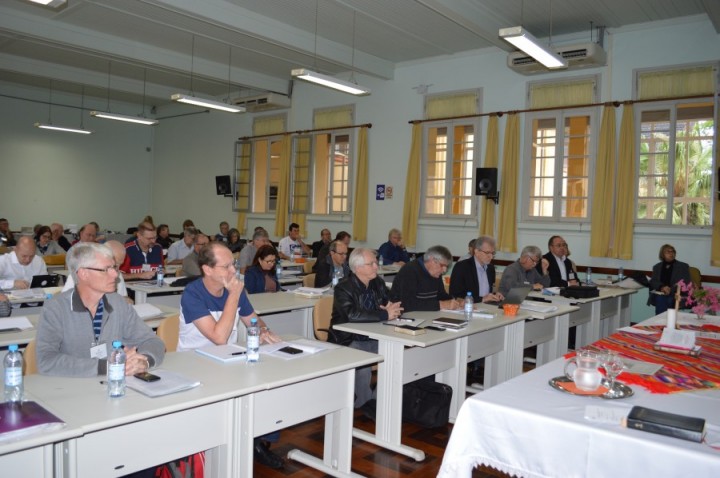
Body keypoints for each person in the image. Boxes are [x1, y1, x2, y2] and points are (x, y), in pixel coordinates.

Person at [177, 242, 283, 469]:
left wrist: (263, 330)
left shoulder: (234, 289)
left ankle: (258, 442)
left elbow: (252, 319)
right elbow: (219, 337)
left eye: (233, 265)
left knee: (269, 384)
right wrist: (234, 296)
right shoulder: (192, 294)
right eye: (226, 267)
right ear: (208, 269)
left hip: (228, 360)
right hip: (195, 365)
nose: (233, 271)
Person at [35, 242, 165, 377]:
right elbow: (46, 361)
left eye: (114, 267)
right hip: (72, 388)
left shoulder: (118, 303)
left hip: (114, 385)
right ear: (83, 274)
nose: (115, 274)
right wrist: (107, 366)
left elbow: (152, 341)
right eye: (106, 269)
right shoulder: (55, 308)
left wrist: (143, 361)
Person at [328, 248, 403, 408]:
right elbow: (351, 314)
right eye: (372, 264)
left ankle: (376, 401)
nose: (376, 266)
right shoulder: (343, 287)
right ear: (358, 268)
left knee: (396, 358)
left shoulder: (378, 283)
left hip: (375, 336)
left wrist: (393, 305)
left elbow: (390, 299)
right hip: (348, 339)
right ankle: (364, 404)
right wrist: (384, 315)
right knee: (363, 364)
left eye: (375, 263)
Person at [390, 245, 459, 311]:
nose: (444, 270)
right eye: (443, 266)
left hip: (426, 315)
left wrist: (456, 301)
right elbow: (407, 304)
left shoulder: (436, 273)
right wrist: (440, 305)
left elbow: (441, 295)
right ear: (432, 261)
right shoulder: (410, 270)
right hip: (404, 316)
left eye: (446, 267)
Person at [62, 240, 130, 298]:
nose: (116, 271)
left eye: (120, 265)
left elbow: (123, 297)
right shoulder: (81, 273)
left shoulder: (117, 274)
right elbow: (65, 300)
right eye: (115, 265)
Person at [449, 236, 504, 304]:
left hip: (487, 307)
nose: (491, 256)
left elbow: (488, 292)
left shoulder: (490, 268)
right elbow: (455, 295)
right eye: (487, 252)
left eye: (492, 253)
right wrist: (482, 299)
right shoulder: (462, 267)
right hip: (469, 307)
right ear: (477, 251)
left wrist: (495, 295)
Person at [649, 244, 692, 315]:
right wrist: (662, 287)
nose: (671, 253)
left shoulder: (683, 266)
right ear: (662, 254)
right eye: (668, 252)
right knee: (661, 298)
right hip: (661, 292)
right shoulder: (657, 267)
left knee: (666, 299)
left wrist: (670, 290)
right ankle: (664, 322)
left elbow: (686, 282)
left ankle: (662, 323)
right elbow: (653, 281)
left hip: (676, 293)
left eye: (672, 251)